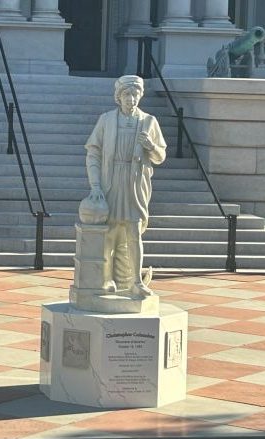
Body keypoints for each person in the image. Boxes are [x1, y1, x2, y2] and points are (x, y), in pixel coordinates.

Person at [84, 75, 166, 298]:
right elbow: (93, 152)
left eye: (135, 94)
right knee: (109, 233)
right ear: (118, 97)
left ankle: (136, 281)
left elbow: (160, 156)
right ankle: (107, 278)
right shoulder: (106, 120)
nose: (131, 99)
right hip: (112, 181)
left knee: (133, 233)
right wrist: (95, 185)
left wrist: (151, 146)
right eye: (127, 94)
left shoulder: (149, 121)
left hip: (135, 185)